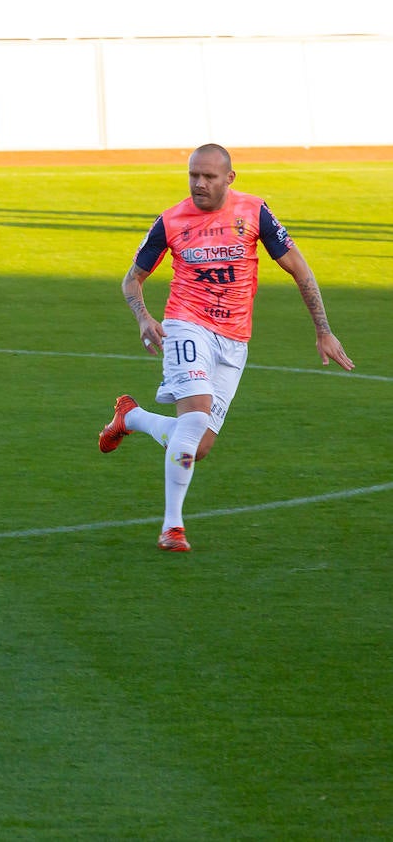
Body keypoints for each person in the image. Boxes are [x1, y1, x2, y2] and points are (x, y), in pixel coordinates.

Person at [98, 144, 354, 552]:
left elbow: (299, 269)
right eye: (193, 175)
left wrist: (324, 330)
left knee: (195, 446)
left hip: (234, 339)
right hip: (185, 325)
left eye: (209, 177)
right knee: (195, 417)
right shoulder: (171, 221)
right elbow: (132, 279)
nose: (199, 184)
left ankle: (132, 418)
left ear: (229, 178)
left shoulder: (254, 213)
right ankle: (172, 527)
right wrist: (144, 317)